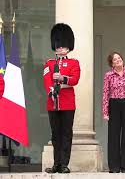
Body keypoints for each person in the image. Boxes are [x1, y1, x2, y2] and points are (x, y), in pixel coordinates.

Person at [43, 23, 80, 173]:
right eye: (58, 46)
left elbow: (75, 79)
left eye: (63, 46)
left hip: (67, 103)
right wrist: (51, 90)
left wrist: (63, 78)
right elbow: (46, 79)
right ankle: (56, 163)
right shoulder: (49, 63)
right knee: (55, 135)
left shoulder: (73, 63)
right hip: (53, 103)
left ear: (68, 47)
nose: (60, 48)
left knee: (66, 134)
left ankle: (64, 163)